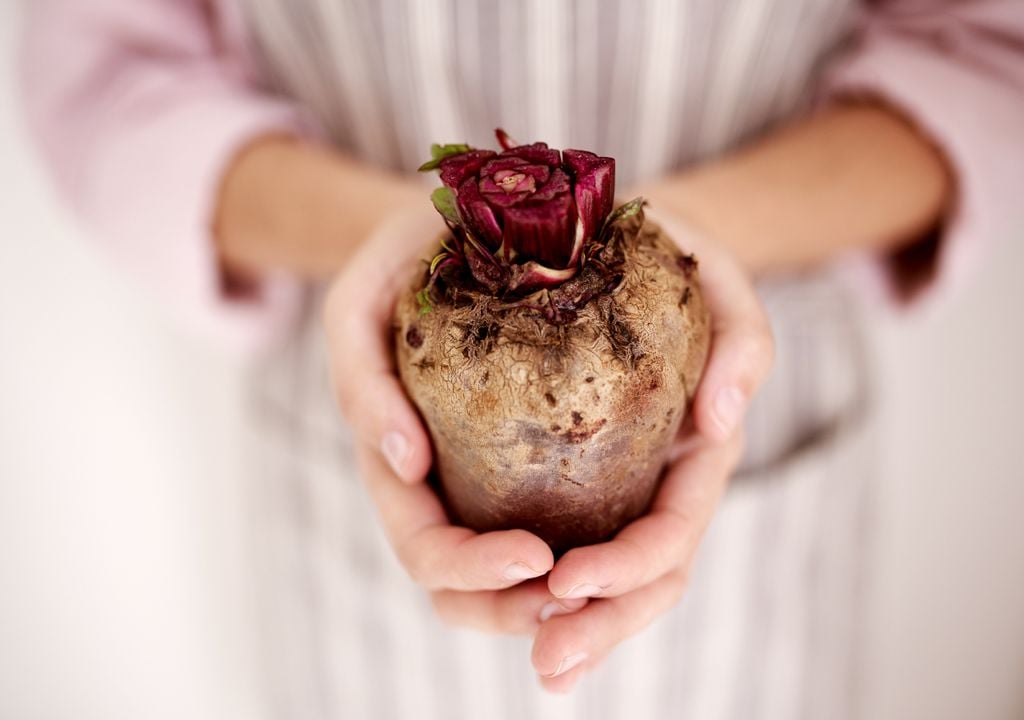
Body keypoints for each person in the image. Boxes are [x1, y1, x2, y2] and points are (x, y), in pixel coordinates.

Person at [22, 1, 1024, 718]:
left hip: (748, 424)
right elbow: (108, 74)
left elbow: (987, 51)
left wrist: (700, 233)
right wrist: (386, 235)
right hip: (365, 410)